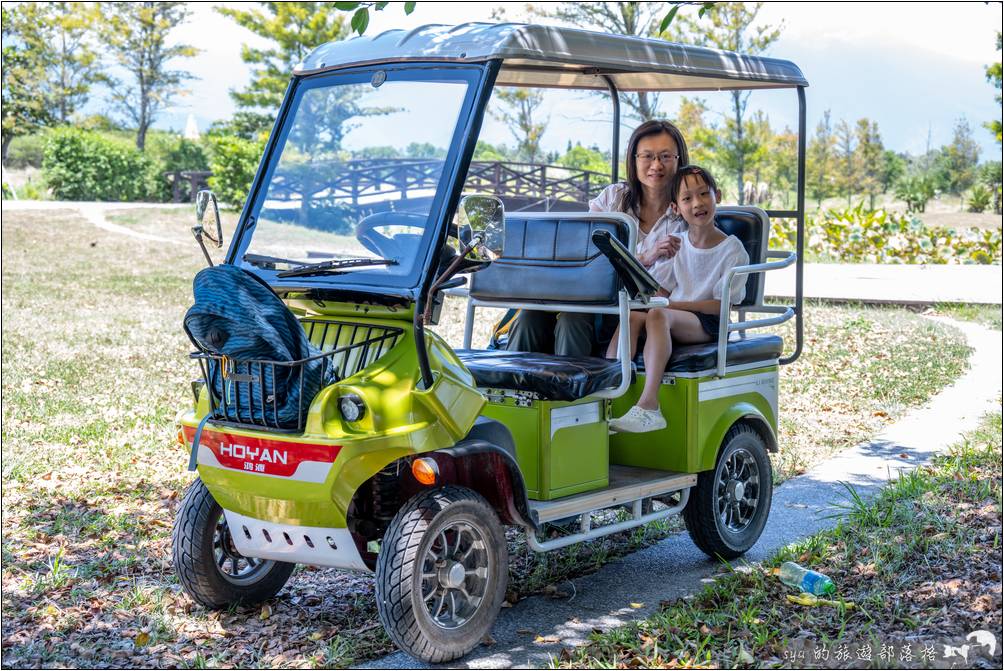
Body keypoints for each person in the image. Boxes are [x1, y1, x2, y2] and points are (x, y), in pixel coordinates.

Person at [504, 120, 690, 357]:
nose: (656, 165)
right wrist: (644, 257)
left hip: (637, 306)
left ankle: (575, 391)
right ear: (634, 159)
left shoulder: (686, 212)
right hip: (591, 294)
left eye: (665, 156)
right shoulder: (614, 198)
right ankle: (512, 388)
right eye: (647, 156)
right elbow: (586, 251)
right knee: (530, 315)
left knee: (573, 321)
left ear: (679, 160)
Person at [607, 165, 749, 434]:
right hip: (675, 316)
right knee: (633, 314)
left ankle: (650, 406)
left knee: (659, 314)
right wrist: (647, 292)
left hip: (709, 322)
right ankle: (609, 397)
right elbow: (663, 291)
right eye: (687, 198)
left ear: (717, 195)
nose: (697, 203)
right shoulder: (678, 243)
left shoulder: (732, 250)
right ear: (676, 207)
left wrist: (671, 305)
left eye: (704, 194)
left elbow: (720, 306)